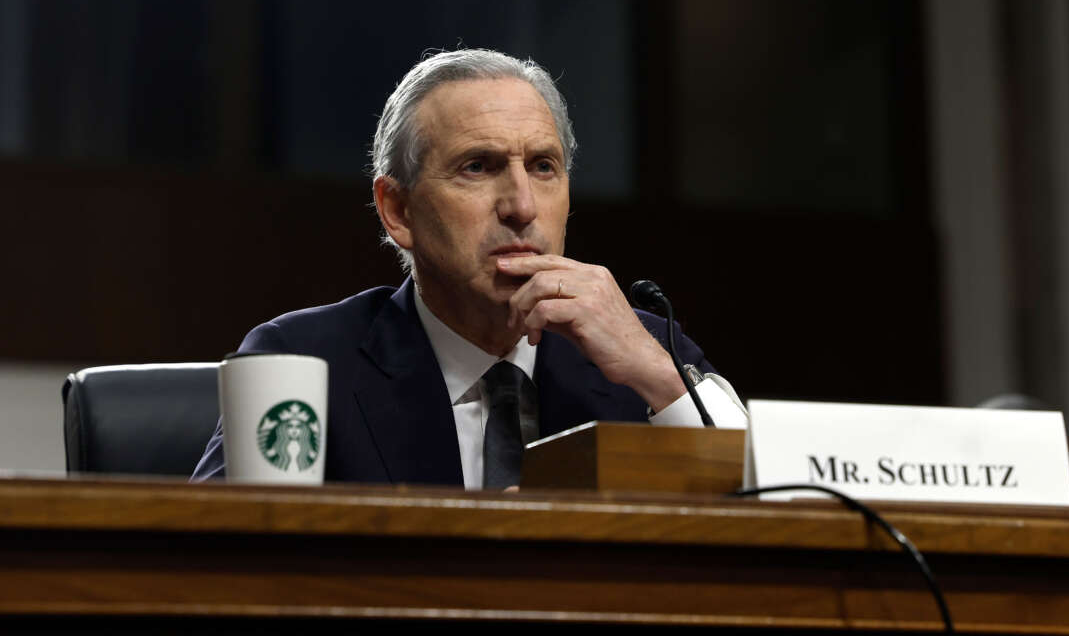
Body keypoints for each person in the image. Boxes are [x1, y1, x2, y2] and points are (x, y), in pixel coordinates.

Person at [192, 48, 745, 488]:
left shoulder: (648, 354)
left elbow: (775, 514)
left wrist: (660, 377)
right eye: (478, 167)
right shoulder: (307, 364)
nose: (522, 206)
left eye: (543, 167)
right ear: (399, 211)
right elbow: (211, 567)